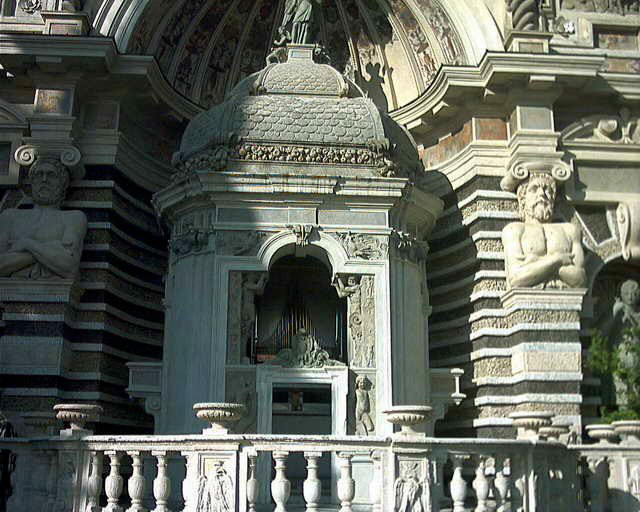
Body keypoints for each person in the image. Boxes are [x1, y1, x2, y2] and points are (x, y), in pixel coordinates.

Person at [0, 158, 87, 279]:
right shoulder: (10, 217)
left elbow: (69, 267)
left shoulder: (73, 218)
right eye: (39, 175)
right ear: (32, 182)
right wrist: (52, 251)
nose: (44, 179)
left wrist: (27, 244)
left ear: (63, 184)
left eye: (51, 175)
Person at [502, 173, 586, 289]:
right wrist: (557, 260)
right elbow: (516, 278)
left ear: (553, 198)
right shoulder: (514, 230)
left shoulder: (570, 230)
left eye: (548, 190)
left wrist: (534, 262)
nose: (542, 194)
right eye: (534, 189)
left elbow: (580, 279)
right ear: (523, 198)